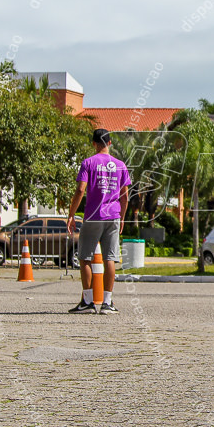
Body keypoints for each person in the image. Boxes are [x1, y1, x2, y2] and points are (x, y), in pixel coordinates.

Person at [66, 129, 130, 314]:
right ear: (110, 143)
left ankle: (87, 301)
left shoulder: (88, 163)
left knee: (85, 257)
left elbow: (80, 190)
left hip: (93, 216)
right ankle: (107, 302)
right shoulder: (120, 165)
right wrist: (122, 217)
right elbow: (125, 196)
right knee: (110, 258)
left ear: (94, 143)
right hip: (113, 216)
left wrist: (71, 214)